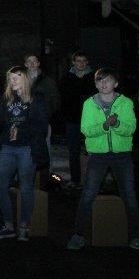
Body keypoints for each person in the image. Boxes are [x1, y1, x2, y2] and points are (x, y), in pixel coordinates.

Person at [66, 69, 139, 252]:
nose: (103, 84)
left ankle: (137, 236)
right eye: (99, 81)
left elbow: (131, 128)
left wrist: (115, 124)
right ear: (95, 84)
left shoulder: (125, 103)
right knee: (88, 194)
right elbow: (86, 129)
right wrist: (104, 125)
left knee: (130, 195)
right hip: (98, 155)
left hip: (122, 155)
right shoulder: (89, 104)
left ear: (115, 83)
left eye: (107, 80)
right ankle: (77, 235)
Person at [0, 66, 49, 240]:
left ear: (25, 78)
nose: (12, 81)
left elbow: (41, 125)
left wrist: (21, 129)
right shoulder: (7, 98)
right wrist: (1, 112)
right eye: (10, 78)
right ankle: (9, 224)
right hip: (8, 148)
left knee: (26, 188)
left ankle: (24, 225)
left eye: (16, 77)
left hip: (27, 147)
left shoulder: (36, 99)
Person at [58, 51, 94, 190]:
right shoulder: (66, 78)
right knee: (73, 151)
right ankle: (75, 180)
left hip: (91, 120)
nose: (81, 63)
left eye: (84, 61)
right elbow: (64, 98)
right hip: (72, 119)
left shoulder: (94, 77)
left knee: (92, 151)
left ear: (87, 62)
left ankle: (91, 181)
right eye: (78, 61)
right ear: (73, 62)